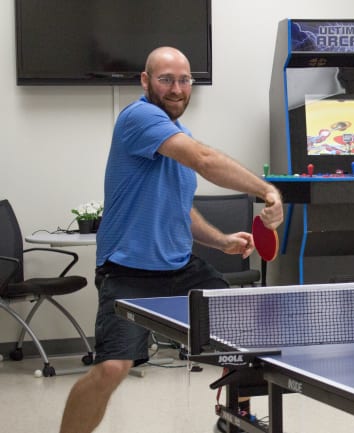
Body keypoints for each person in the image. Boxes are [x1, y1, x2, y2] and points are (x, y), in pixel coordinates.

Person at [59, 46, 283, 433]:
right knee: (112, 368)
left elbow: (180, 208)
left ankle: (236, 418)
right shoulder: (139, 117)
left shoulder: (179, 135)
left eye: (183, 79)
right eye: (166, 79)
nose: (176, 88)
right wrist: (267, 190)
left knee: (248, 332)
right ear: (145, 81)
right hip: (126, 272)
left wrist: (221, 241)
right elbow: (206, 161)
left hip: (181, 269)